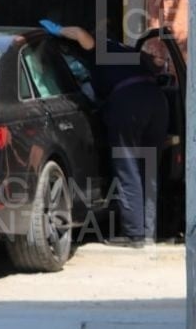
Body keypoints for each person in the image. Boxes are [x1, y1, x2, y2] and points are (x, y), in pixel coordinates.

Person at [42, 20, 168, 247]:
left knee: (127, 166)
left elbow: (80, 32)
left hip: (129, 102)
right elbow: (158, 64)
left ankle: (134, 235)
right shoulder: (127, 52)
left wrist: (59, 30)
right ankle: (149, 232)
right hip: (157, 101)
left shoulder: (101, 48)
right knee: (149, 170)